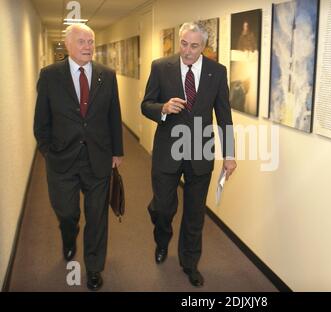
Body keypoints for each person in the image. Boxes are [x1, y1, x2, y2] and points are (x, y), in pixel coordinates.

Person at [141, 22, 237, 287]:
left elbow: (224, 117)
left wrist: (229, 154)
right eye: (184, 43)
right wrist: (162, 107)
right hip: (167, 150)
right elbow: (145, 105)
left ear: (203, 47)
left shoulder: (217, 72)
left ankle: (189, 263)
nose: (187, 51)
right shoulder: (161, 67)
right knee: (162, 208)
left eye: (194, 46)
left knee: (195, 214)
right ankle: (162, 239)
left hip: (200, 152)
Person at [33, 23, 124, 291]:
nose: (88, 47)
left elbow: (113, 115)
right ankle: (69, 234)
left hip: (98, 157)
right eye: (82, 42)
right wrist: (47, 150)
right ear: (69, 45)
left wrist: (117, 151)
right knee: (67, 212)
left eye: (91, 42)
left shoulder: (106, 75)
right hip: (62, 159)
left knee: (97, 216)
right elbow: (41, 121)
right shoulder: (50, 76)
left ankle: (94, 267)